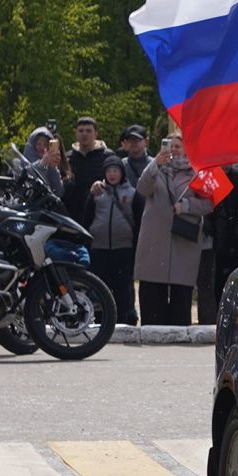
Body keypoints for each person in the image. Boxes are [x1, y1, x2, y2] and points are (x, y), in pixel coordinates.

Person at [135, 135, 211, 325]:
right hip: (155, 238)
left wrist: (186, 206)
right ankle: (152, 329)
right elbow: (143, 188)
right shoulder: (156, 168)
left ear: (187, 149)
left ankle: (179, 328)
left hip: (183, 239)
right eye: (170, 146)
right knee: (152, 289)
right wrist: (155, 164)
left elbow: (208, 204)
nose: (174, 149)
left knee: (181, 292)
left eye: (178, 146)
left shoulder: (197, 172)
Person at [82, 154, 138, 326]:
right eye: (109, 171)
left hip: (124, 247)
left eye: (116, 170)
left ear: (122, 172)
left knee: (123, 286)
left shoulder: (132, 193)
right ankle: (100, 319)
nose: (112, 174)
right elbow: (87, 217)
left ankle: (125, 318)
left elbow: (138, 219)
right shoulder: (96, 192)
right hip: (99, 247)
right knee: (100, 285)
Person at [64, 116, 110, 218]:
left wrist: (103, 185)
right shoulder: (68, 158)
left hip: (99, 213)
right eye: (81, 131)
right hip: (72, 213)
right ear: (76, 134)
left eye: (88, 131)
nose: (84, 134)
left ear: (96, 134)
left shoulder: (107, 156)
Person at [22, 127, 66, 196]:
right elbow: (25, 174)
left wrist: (52, 168)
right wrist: (41, 164)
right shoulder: (20, 162)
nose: (42, 148)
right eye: (38, 144)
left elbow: (59, 192)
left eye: (45, 144)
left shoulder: (50, 164)